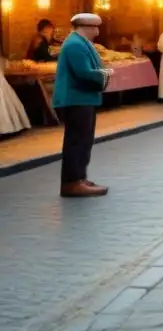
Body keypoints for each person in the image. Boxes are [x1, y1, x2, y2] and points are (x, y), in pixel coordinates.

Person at [52, 13, 112, 197]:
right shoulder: (75, 45)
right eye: (95, 27)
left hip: (82, 98)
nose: (97, 31)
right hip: (75, 98)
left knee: (84, 140)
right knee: (77, 141)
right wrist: (105, 73)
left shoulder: (79, 42)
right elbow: (83, 71)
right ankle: (72, 182)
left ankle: (79, 177)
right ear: (86, 27)